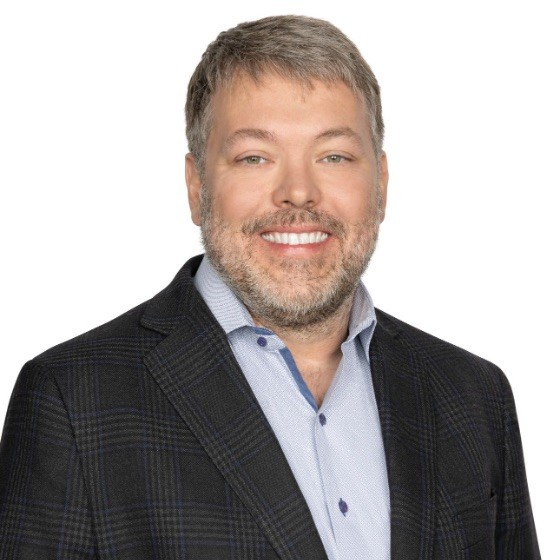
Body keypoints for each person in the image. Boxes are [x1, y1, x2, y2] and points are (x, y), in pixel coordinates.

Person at [0, 15, 539, 559]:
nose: (298, 192)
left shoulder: (474, 395)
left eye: (334, 156)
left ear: (381, 183)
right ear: (197, 186)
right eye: (255, 157)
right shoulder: (73, 401)